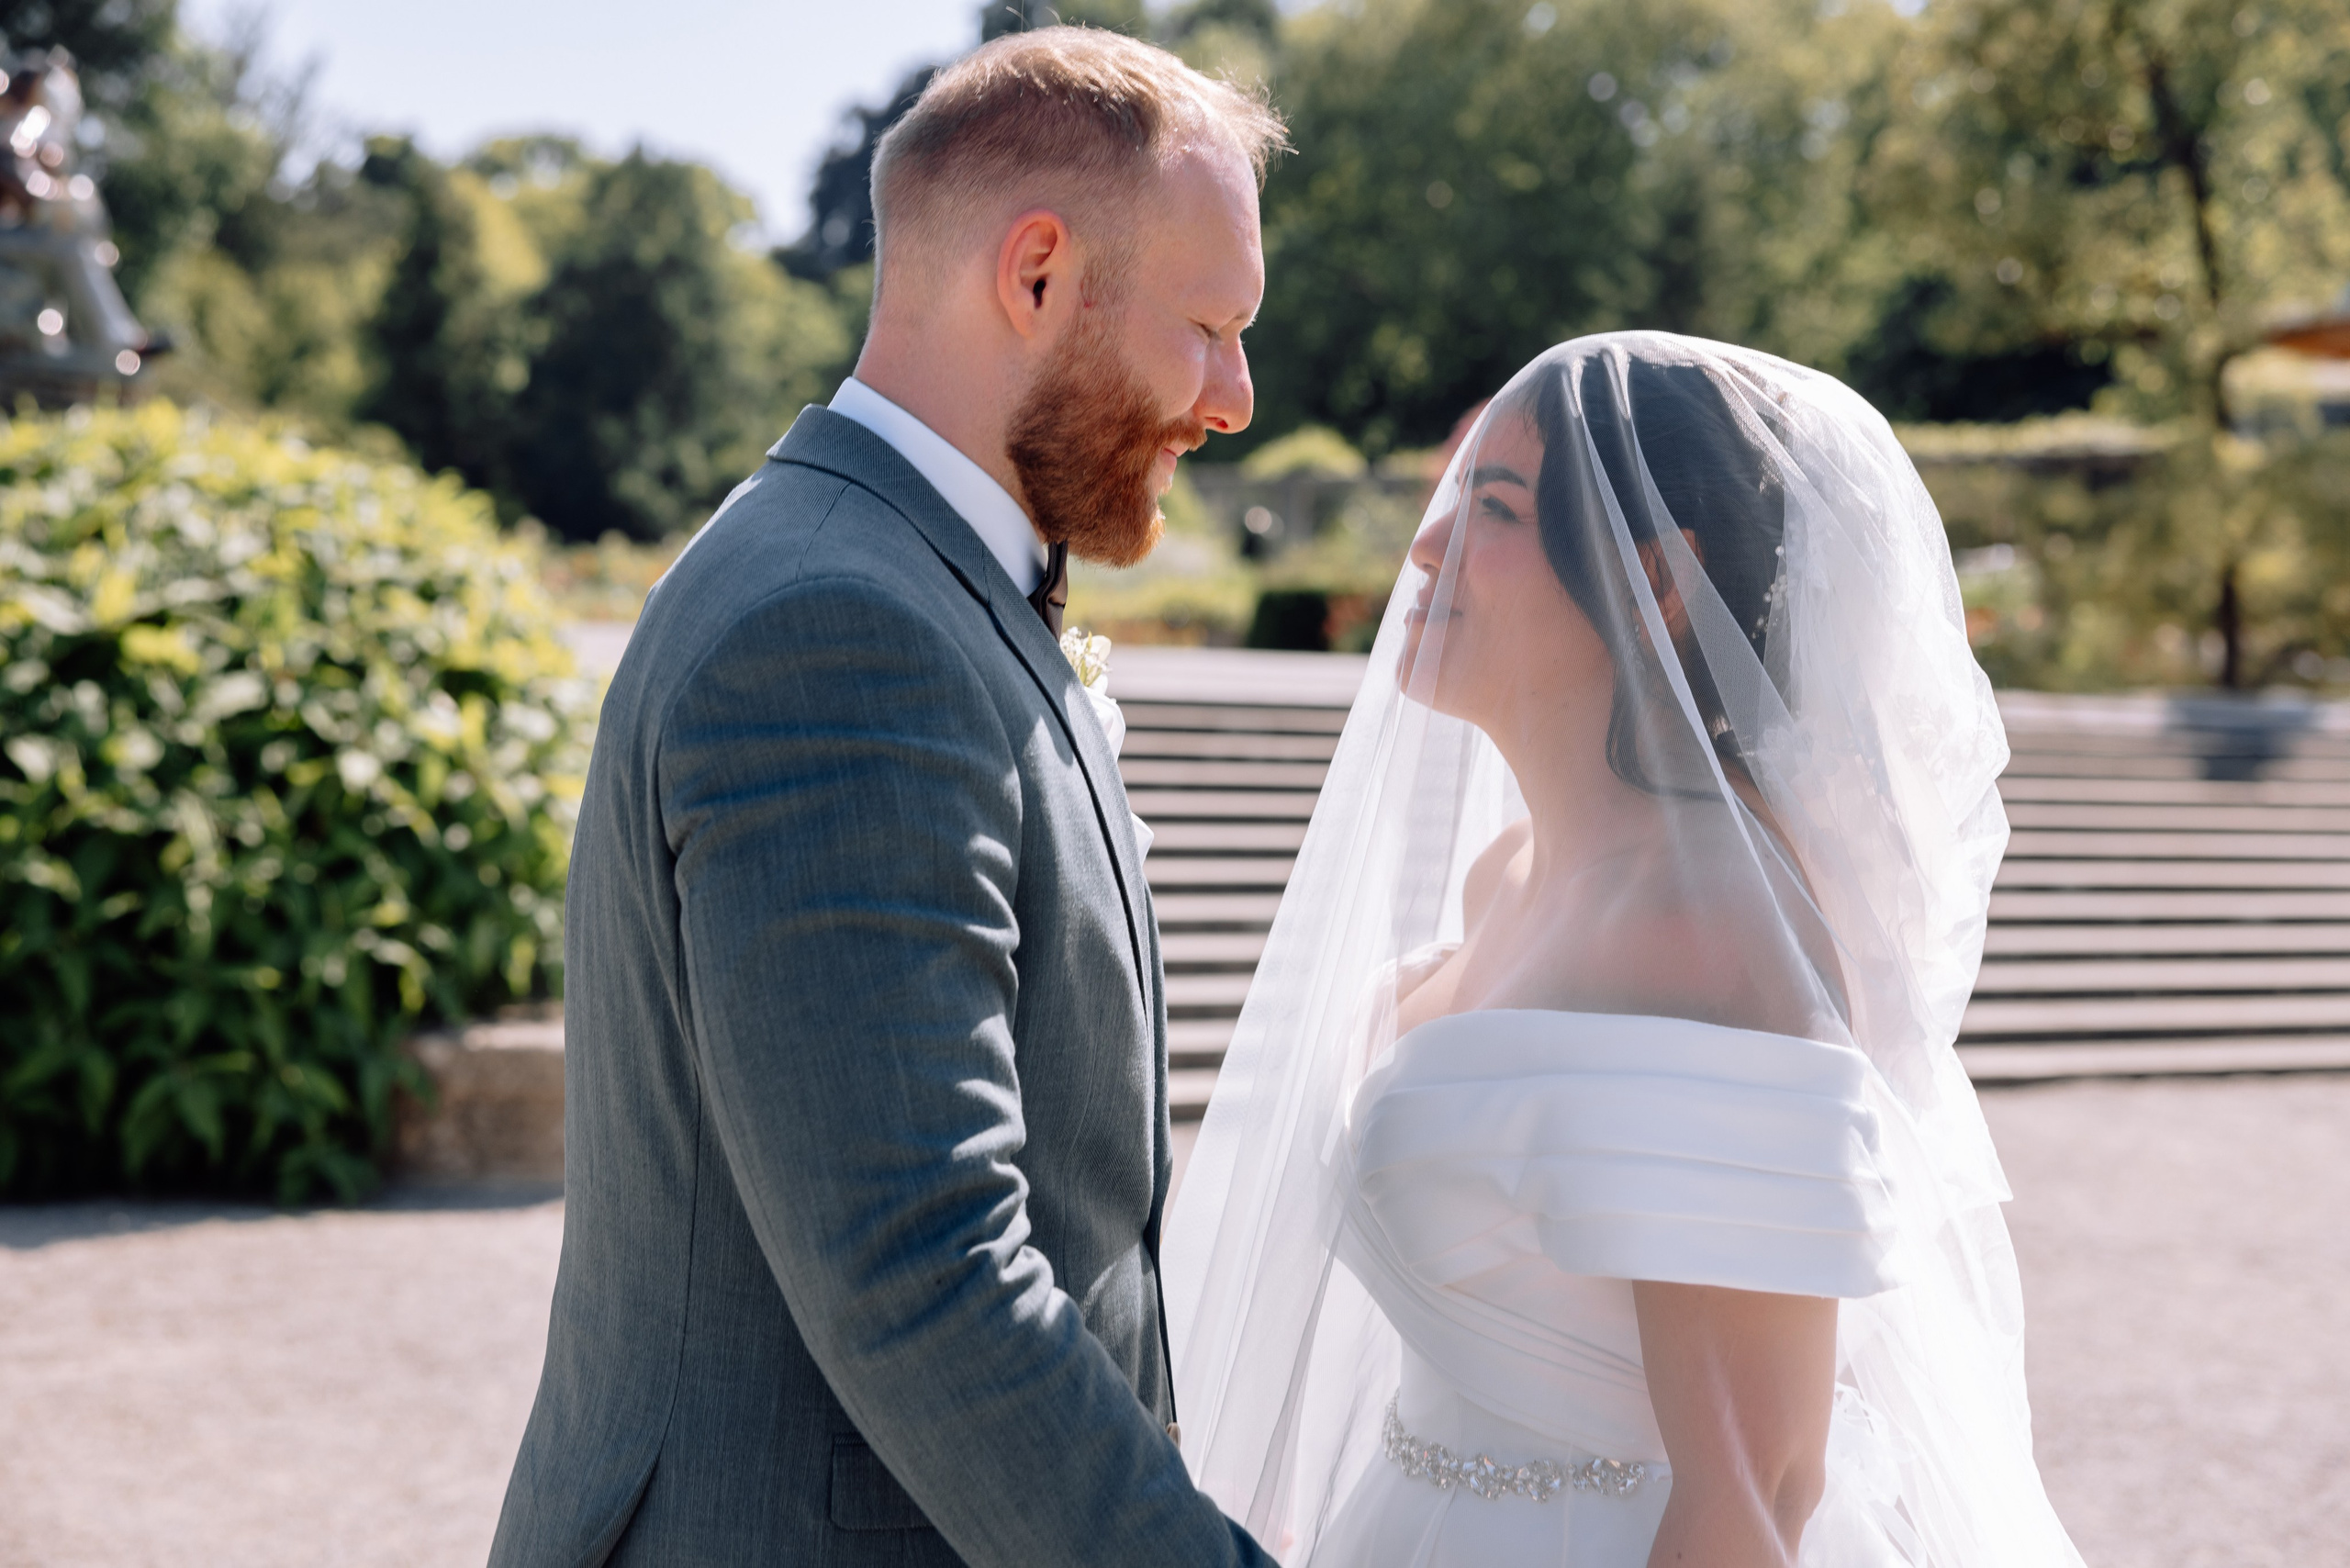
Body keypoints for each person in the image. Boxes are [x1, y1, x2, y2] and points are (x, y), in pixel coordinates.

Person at [489, 28, 1282, 1567]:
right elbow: (924, 1271)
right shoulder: (840, 629)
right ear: (1037, 274)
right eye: (1208, 327)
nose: (1235, 396)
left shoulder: (891, 574)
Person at [1165, 331, 2087, 1566]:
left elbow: (1758, 1490)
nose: (1425, 547)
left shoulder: (1709, 934)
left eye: (1493, 506)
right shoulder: (1507, 877)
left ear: (1655, 577)